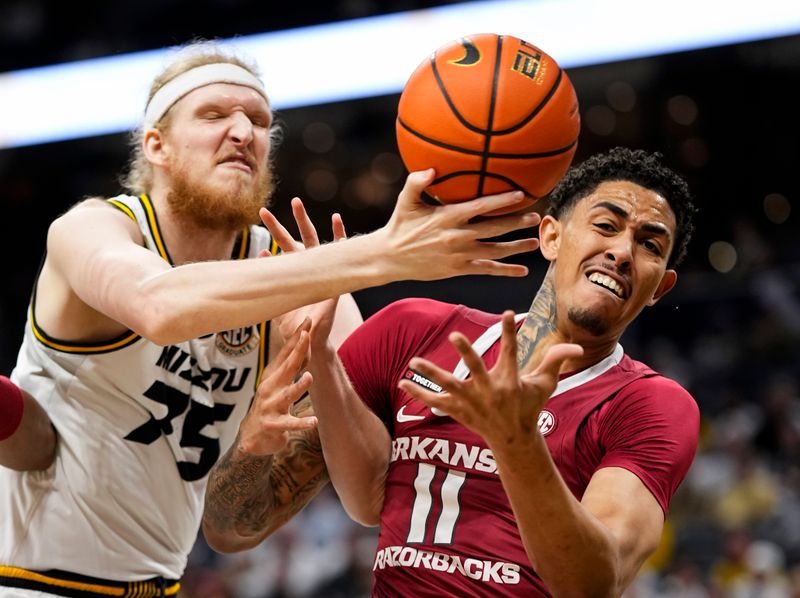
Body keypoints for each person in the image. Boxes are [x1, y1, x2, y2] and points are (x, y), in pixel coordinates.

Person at [0, 39, 540, 595]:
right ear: (156, 145)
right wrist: (380, 255)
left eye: (258, 121)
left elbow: (252, 524)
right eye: (214, 115)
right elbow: (160, 306)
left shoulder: (301, 288)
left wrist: (261, 439)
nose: (243, 132)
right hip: (25, 579)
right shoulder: (92, 230)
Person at [203, 147, 701, 596]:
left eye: (650, 245)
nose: (622, 252)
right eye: (606, 225)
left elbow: (593, 584)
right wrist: (311, 369)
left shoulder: (652, 405)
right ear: (551, 235)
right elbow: (234, 528)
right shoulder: (410, 332)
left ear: (661, 287)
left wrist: (516, 442)